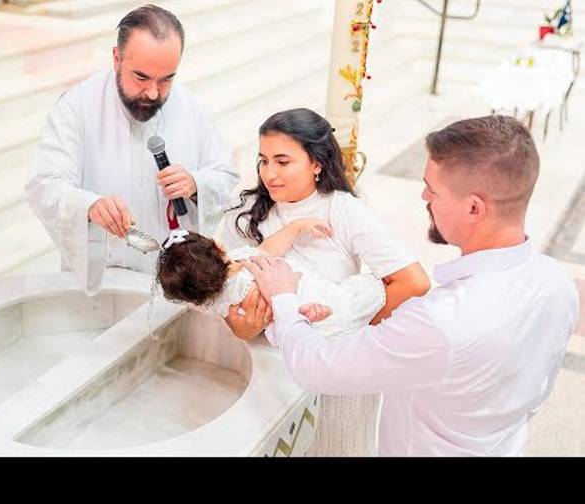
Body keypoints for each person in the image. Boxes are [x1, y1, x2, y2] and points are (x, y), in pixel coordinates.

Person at [246, 115, 579, 456]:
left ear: (474, 208)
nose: (423, 196)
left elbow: (317, 368)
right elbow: (536, 393)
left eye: (432, 190)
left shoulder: (440, 322)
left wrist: (284, 296)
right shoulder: (557, 284)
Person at [219, 107, 430, 456]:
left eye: (283, 161)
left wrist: (351, 338)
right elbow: (224, 286)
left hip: (335, 372)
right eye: (263, 160)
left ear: (316, 163)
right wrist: (239, 326)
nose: (269, 173)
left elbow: (413, 281)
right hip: (271, 373)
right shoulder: (243, 214)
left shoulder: (343, 211)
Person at [26, 4, 238, 293]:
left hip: (171, 281)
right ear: (116, 58)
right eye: (141, 77)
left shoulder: (192, 109)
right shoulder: (77, 107)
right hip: (102, 277)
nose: (153, 92)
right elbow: (44, 185)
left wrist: (196, 183)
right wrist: (89, 205)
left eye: (166, 80)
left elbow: (225, 177)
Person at [155, 223, 383, 337]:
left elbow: (266, 249)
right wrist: (297, 226)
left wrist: (296, 227)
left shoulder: (228, 278)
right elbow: (275, 314)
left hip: (307, 296)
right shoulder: (243, 293)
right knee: (358, 296)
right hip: (309, 303)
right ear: (217, 246)